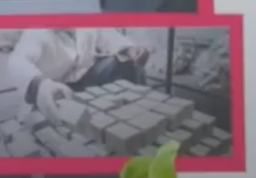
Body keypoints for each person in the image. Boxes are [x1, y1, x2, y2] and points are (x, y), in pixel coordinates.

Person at [8, 28, 151, 126]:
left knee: (122, 63)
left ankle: (138, 110)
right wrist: (40, 84)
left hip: (83, 77)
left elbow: (108, 35)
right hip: (55, 89)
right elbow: (17, 61)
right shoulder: (35, 33)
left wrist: (130, 49)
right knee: (53, 123)